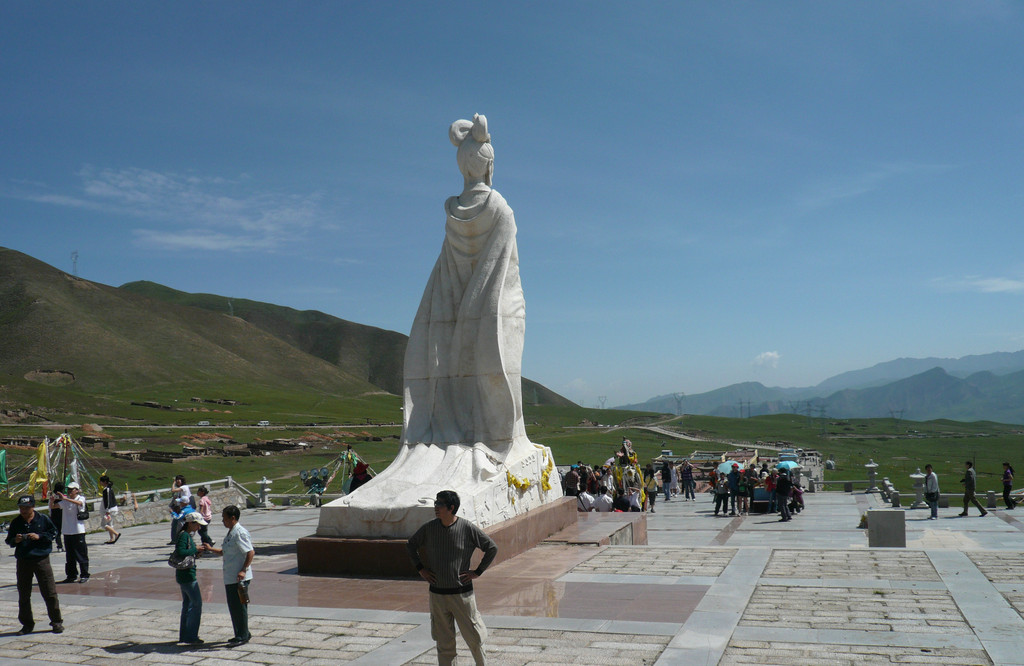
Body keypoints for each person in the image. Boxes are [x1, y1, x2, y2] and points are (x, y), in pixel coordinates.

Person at [407, 490, 497, 666]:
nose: (436, 507)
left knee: (475, 638)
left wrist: (477, 572)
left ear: (451, 508)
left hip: (462, 595)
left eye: (439, 504)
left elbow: (491, 547)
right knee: (444, 643)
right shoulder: (429, 528)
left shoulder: (467, 528)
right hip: (437, 595)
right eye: (435, 503)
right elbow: (411, 545)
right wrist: (421, 569)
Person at [5, 495, 63, 634]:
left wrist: (40, 536)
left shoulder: (42, 519)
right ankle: (27, 624)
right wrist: (16, 540)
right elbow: (9, 541)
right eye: (21, 508)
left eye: (26, 508)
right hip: (23, 560)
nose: (23, 510)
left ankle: (56, 621)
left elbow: (54, 532)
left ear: (33, 507)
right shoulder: (16, 522)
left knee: (49, 592)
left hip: (41, 559)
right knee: (24, 594)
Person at [202, 505, 253, 645]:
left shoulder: (240, 533)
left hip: (238, 577)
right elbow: (225, 551)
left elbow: (250, 552)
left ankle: (242, 635)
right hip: (230, 576)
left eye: (224, 518)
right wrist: (211, 549)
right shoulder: (231, 532)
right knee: (234, 607)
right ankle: (242, 632)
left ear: (233, 518)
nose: (223, 521)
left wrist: (243, 570)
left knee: (239, 607)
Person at [176, 512, 206, 645]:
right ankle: (192, 635)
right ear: (191, 523)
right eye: (197, 525)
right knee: (196, 604)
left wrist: (196, 552)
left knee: (187, 605)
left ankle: (185, 635)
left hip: (184, 575)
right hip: (187, 576)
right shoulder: (184, 536)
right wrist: (196, 549)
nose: (199, 528)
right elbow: (181, 552)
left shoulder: (186, 535)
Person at [51, 482, 89, 583]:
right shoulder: (65, 501)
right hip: (67, 531)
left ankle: (84, 574)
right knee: (70, 555)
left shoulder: (80, 498)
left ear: (76, 490)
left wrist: (65, 498)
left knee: (81, 554)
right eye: (68, 490)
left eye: (71, 490)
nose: (69, 491)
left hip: (78, 531)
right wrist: (52, 500)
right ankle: (71, 575)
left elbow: (80, 504)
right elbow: (53, 507)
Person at [100, 475, 122, 544]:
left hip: (110, 509)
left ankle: (116, 534)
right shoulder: (109, 489)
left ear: (105, 482)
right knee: (110, 524)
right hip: (112, 509)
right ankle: (112, 539)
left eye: (101, 481)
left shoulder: (107, 490)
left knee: (103, 524)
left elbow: (108, 500)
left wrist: (107, 511)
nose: (100, 483)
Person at [50, 481, 65, 553]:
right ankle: (61, 546)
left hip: (55, 516)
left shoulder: (53, 497)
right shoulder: (64, 497)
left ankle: (60, 546)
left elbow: (49, 507)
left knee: (57, 532)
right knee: (60, 532)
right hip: (62, 516)